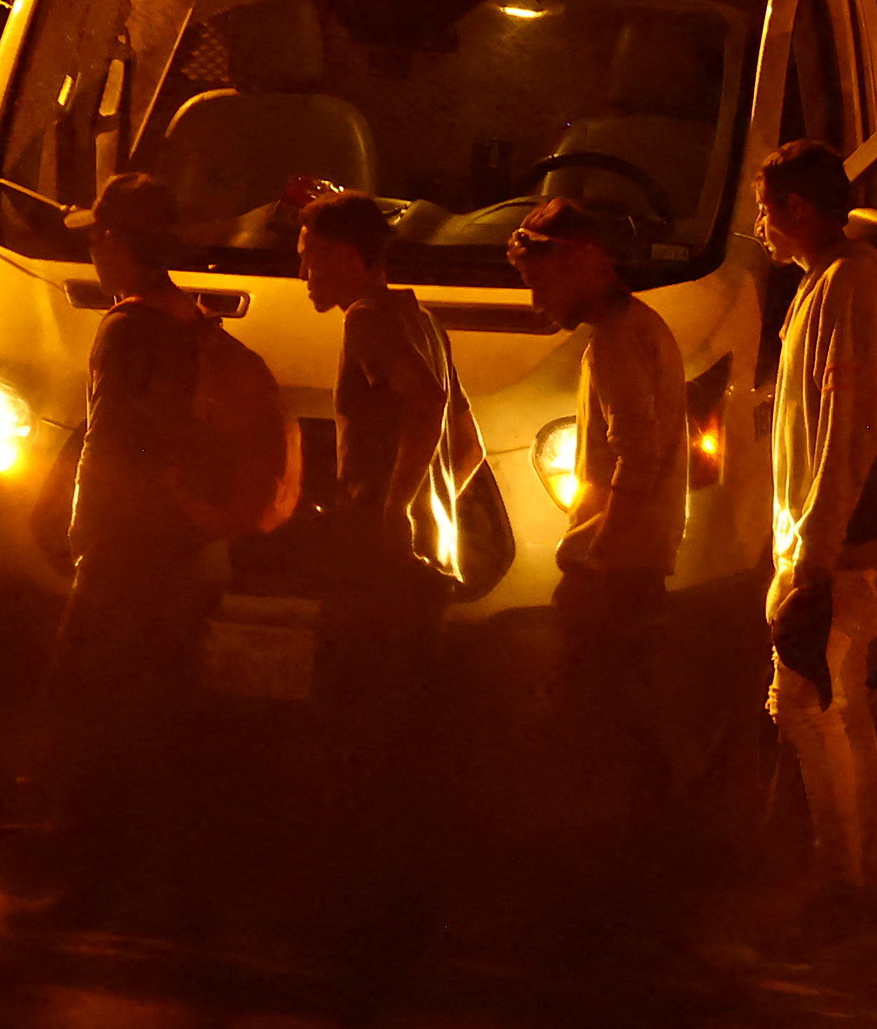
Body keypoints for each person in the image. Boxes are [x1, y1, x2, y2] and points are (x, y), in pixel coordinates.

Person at [755, 135, 877, 956]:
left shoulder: (847, 288)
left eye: (766, 208)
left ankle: (846, 884)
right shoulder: (829, 284)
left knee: (812, 709)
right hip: (827, 543)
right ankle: (868, 877)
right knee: (842, 710)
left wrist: (814, 562)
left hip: (832, 547)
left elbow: (852, 430)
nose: (760, 225)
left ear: (796, 209)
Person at [42, 170, 227, 931]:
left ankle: (89, 886)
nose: (90, 250)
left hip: (126, 552)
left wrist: (83, 538)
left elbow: (109, 448)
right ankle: (178, 895)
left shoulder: (126, 328)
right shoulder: (192, 317)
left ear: (116, 242)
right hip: (184, 547)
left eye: (94, 237)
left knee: (82, 712)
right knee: (164, 721)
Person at [291, 174, 474, 929]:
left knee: (352, 719)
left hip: (380, 556)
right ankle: (411, 893)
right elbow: (465, 441)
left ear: (344, 259)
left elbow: (427, 405)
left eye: (309, 258)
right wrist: (434, 509)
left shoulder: (367, 320)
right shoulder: (421, 317)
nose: (302, 274)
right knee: (408, 722)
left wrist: (388, 508)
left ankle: (352, 899)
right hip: (429, 555)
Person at [509, 187, 686, 898]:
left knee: (585, 726)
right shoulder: (643, 328)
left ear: (585, 263)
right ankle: (653, 869)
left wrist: (597, 558)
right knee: (625, 719)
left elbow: (635, 456)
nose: (535, 301)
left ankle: (597, 881)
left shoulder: (614, 342)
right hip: (637, 562)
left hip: (612, 568)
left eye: (542, 279)